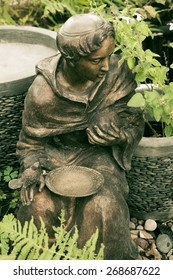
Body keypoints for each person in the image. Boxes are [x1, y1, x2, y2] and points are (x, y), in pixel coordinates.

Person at [10, 13, 144, 259]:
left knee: (104, 205)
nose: (106, 66)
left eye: (108, 56)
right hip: (53, 157)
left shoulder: (115, 73)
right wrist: (31, 167)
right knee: (37, 205)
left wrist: (119, 135)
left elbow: (134, 120)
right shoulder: (43, 94)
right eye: (96, 60)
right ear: (71, 59)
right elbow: (30, 143)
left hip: (97, 157)